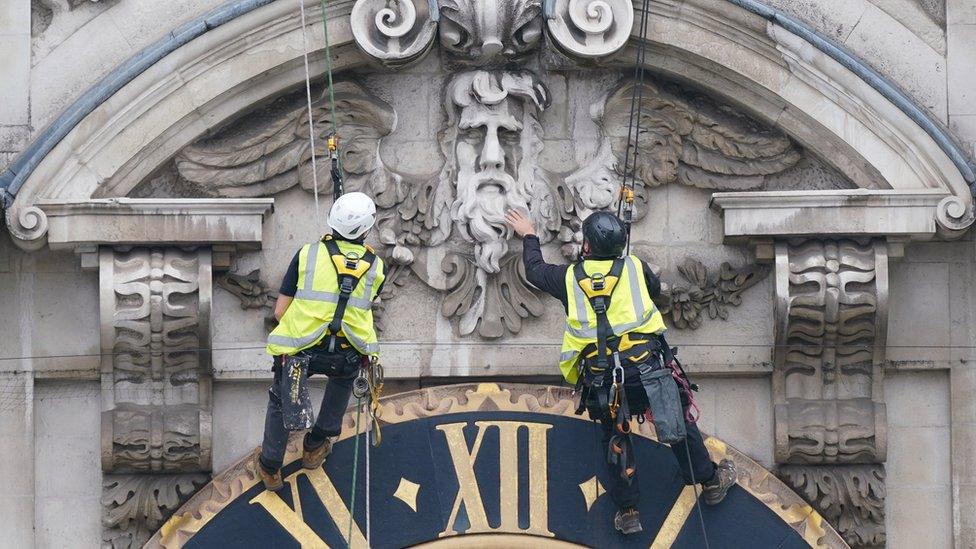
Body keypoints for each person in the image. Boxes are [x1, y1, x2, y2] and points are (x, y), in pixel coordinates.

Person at [505, 208, 736, 535]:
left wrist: (529, 234)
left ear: (586, 246)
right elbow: (654, 292)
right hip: (647, 370)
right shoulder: (635, 267)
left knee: (615, 438)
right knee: (678, 421)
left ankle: (628, 512)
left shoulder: (568, 278)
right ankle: (710, 482)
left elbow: (535, 270)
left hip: (604, 380)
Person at [257, 192, 386, 491]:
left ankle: (270, 467)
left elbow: (280, 311)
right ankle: (315, 446)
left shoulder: (307, 254)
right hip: (346, 350)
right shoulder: (377, 267)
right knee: (343, 381)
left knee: (280, 398)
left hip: (302, 347)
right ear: (367, 229)